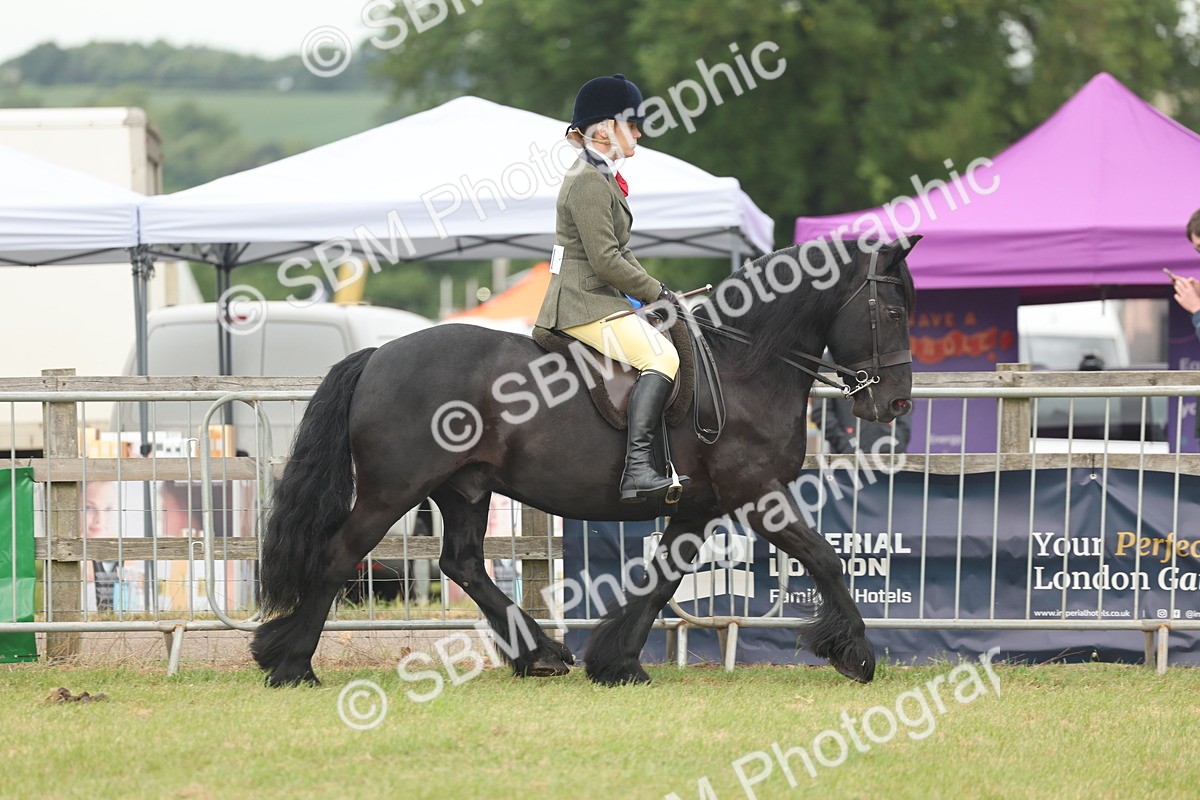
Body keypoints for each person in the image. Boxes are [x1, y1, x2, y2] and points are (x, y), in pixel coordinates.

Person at [536, 74, 688, 503]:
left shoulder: (601, 177)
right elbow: (605, 260)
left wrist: (663, 293)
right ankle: (638, 469)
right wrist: (656, 290)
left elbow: (623, 252)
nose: (639, 132)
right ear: (604, 128)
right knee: (661, 356)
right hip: (581, 303)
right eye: (632, 123)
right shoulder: (587, 179)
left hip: (599, 298)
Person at [812, 396, 912, 456]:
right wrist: (843, 442)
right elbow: (821, 412)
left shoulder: (891, 364)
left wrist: (899, 437)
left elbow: (903, 402)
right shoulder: (830, 363)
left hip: (892, 455)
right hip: (848, 459)